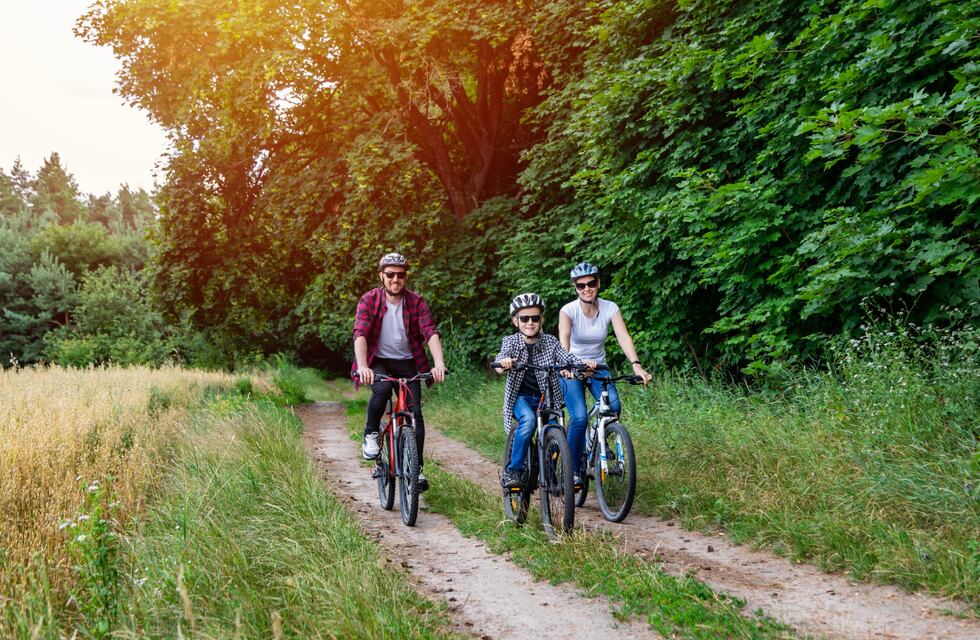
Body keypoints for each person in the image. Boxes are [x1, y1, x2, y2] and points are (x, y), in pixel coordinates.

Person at [352, 252, 447, 491]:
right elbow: (360, 333)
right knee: (382, 388)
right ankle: (371, 433)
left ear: (406, 277)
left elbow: (430, 331)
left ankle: (417, 470)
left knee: (415, 412)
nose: (396, 279)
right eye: (391, 274)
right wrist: (363, 366)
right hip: (379, 361)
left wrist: (438, 363)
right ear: (381, 276)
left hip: (408, 361)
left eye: (401, 275)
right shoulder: (369, 300)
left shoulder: (416, 302)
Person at [558, 262, 652, 486]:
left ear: (598, 284)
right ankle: (573, 469)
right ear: (575, 288)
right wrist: (570, 364)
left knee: (614, 408)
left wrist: (636, 365)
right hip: (572, 368)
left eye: (591, 283)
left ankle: (597, 437)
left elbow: (624, 337)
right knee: (579, 417)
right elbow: (564, 342)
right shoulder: (568, 311)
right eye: (581, 286)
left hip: (598, 367)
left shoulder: (610, 308)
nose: (586, 288)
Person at [493, 293, 596, 488]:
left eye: (535, 318)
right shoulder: (511, 341)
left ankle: (550, 474)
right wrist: (504, 364)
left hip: (546, 399)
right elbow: (500, 360)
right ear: (516, 321)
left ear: (541, 320)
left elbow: (568, 359)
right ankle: (514, 470)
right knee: (528, 421)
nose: (530, 322)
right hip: (521, 398)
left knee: (557, 434)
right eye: (524, 318)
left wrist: (583, 365)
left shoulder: (550, 342)